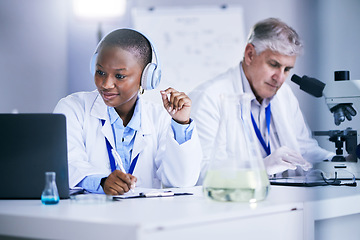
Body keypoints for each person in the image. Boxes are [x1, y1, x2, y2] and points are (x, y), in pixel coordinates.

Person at [54, 28, 202, 195]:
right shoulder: (73, 108)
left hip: (143, 216)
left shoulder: (160, 118)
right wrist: (101, 182)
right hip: (90, 214)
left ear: (146, 78)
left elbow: (182, 182)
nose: (106, 84)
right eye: (100, 72)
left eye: (119, 76)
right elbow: (67, 164)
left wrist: (181, 123)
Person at [189, 18, 335, 183]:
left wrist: (338, 160)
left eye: (287, 69)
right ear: (250, 54)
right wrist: (260, 168)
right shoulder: (209, 98)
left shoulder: (284, 94)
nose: (280, 78)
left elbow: (304, 150)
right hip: (234, 203)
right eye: (273, 64)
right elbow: (201, 173)